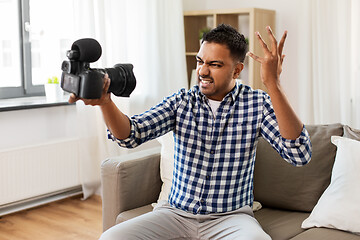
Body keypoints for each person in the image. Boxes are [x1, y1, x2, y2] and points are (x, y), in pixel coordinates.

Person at [69, 24, 312, 240]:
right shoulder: (181, 102)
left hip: (231, 218)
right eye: (200, 61)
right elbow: (132, 134)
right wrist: (105, 103)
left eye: (214, 64)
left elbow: (299, 154)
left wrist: (274, 85)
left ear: (237, 71)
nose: (203, 71)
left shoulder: (257, 104)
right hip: (175, 213)